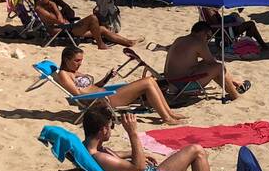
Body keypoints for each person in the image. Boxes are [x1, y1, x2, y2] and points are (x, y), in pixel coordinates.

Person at [82, 103, 232, 171]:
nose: (112, 130)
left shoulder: (88, 147)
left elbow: (114, 157)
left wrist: (131, 153)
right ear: (103, 130)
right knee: (196, 150)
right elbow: (138, 166)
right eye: (111, 126)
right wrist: (133, 133)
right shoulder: (100, 157)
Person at [52, 45, 183, 124]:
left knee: (151, 81)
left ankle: (169, 113)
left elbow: (92, 85)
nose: (79, 63)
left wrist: (107, 77)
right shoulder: (64, 74)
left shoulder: (74, 71)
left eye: (81, 60)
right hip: (103, 100)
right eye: (77, 61)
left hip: (103, 94)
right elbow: (77, 94)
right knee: (148, 82)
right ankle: (166, 117)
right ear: (66, 59)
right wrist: (100, 94)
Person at [165, 20, 250, 99]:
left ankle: (235, 83)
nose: (208, 38)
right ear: (204, 33)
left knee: (210, 65)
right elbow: (212, 63)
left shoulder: (180, 39)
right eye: (208, 36)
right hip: (182, 84)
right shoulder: (198, 42)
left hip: (170, 81)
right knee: (218, 67)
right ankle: (235, 95)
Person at [32, 0, 136, 50]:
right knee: (92, 18)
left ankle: (129, 42)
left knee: (103, 29)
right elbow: (59, 21)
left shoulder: (43, 7)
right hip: (64, 31)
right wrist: (55, 6)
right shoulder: (40, 9)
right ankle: (100, 44)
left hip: (68, 28)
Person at [200, 5, 267, 51]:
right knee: (250, 24)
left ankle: (249, 44)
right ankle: (246, 45)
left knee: (241, 19)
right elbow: (217, 24)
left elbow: (216, 22)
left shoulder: (205, 8)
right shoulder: (209, 9)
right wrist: (231, 22)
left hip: (223, 29)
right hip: (224, 31)